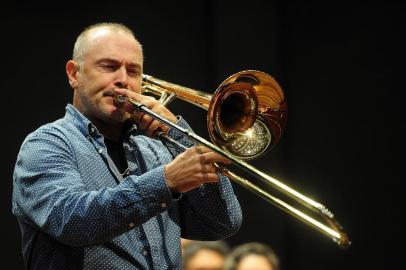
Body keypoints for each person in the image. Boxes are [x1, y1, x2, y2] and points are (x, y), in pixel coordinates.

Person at [12, 22, 242, 269]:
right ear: (74, 74)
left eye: (133, 71)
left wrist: (177, 133)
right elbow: (72, 221)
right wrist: (165, 182)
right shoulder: (45, 144)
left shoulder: (157, 151)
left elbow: (223, 221)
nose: (123, 80)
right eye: (109, 67)